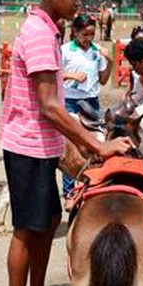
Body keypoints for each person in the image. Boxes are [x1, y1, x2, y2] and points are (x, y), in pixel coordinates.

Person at [0, 0, 132, 286]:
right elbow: (51, 106)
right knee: (27, 230)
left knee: (45, 224)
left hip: (41, 145)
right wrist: (96, 145)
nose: (79, 4)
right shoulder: (41, 34)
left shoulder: (47, 29)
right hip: (28, 144)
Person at [60, 14, 111, 197]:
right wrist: (70, 76)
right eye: (85, 34)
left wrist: (110, 60)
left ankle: (88, 184)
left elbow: (104, 80)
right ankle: (69, 190)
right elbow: (53, 75)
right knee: (71, 145)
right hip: (70, 101)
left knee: (94, 143)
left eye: (92, 34)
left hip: (91, 102)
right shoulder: (65, 50)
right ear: (75, 31)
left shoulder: (97, 51)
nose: (89, 38)